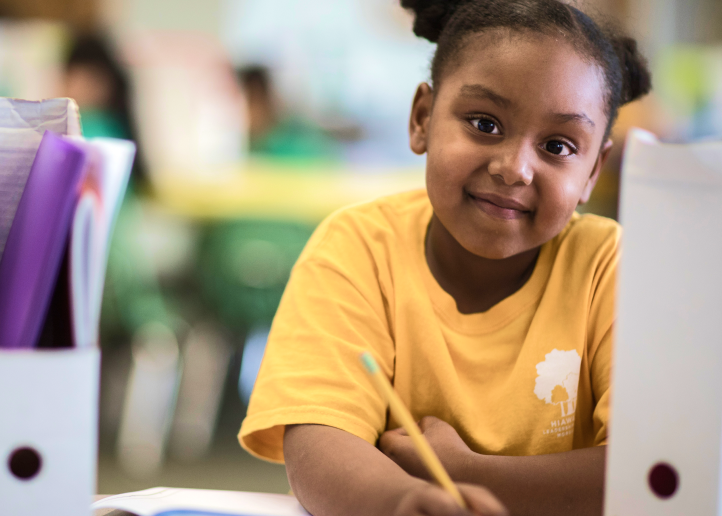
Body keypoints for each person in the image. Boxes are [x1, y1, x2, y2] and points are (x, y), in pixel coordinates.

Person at [238, 1, 651, 515]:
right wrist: (405, 502)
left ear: (594, 172)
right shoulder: (358, 248)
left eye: (558, 146)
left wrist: (464, 473)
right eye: (484, 123)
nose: (514, 168)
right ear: (422, 119)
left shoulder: (615, 271)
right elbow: (319, 440)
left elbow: (653, 473)